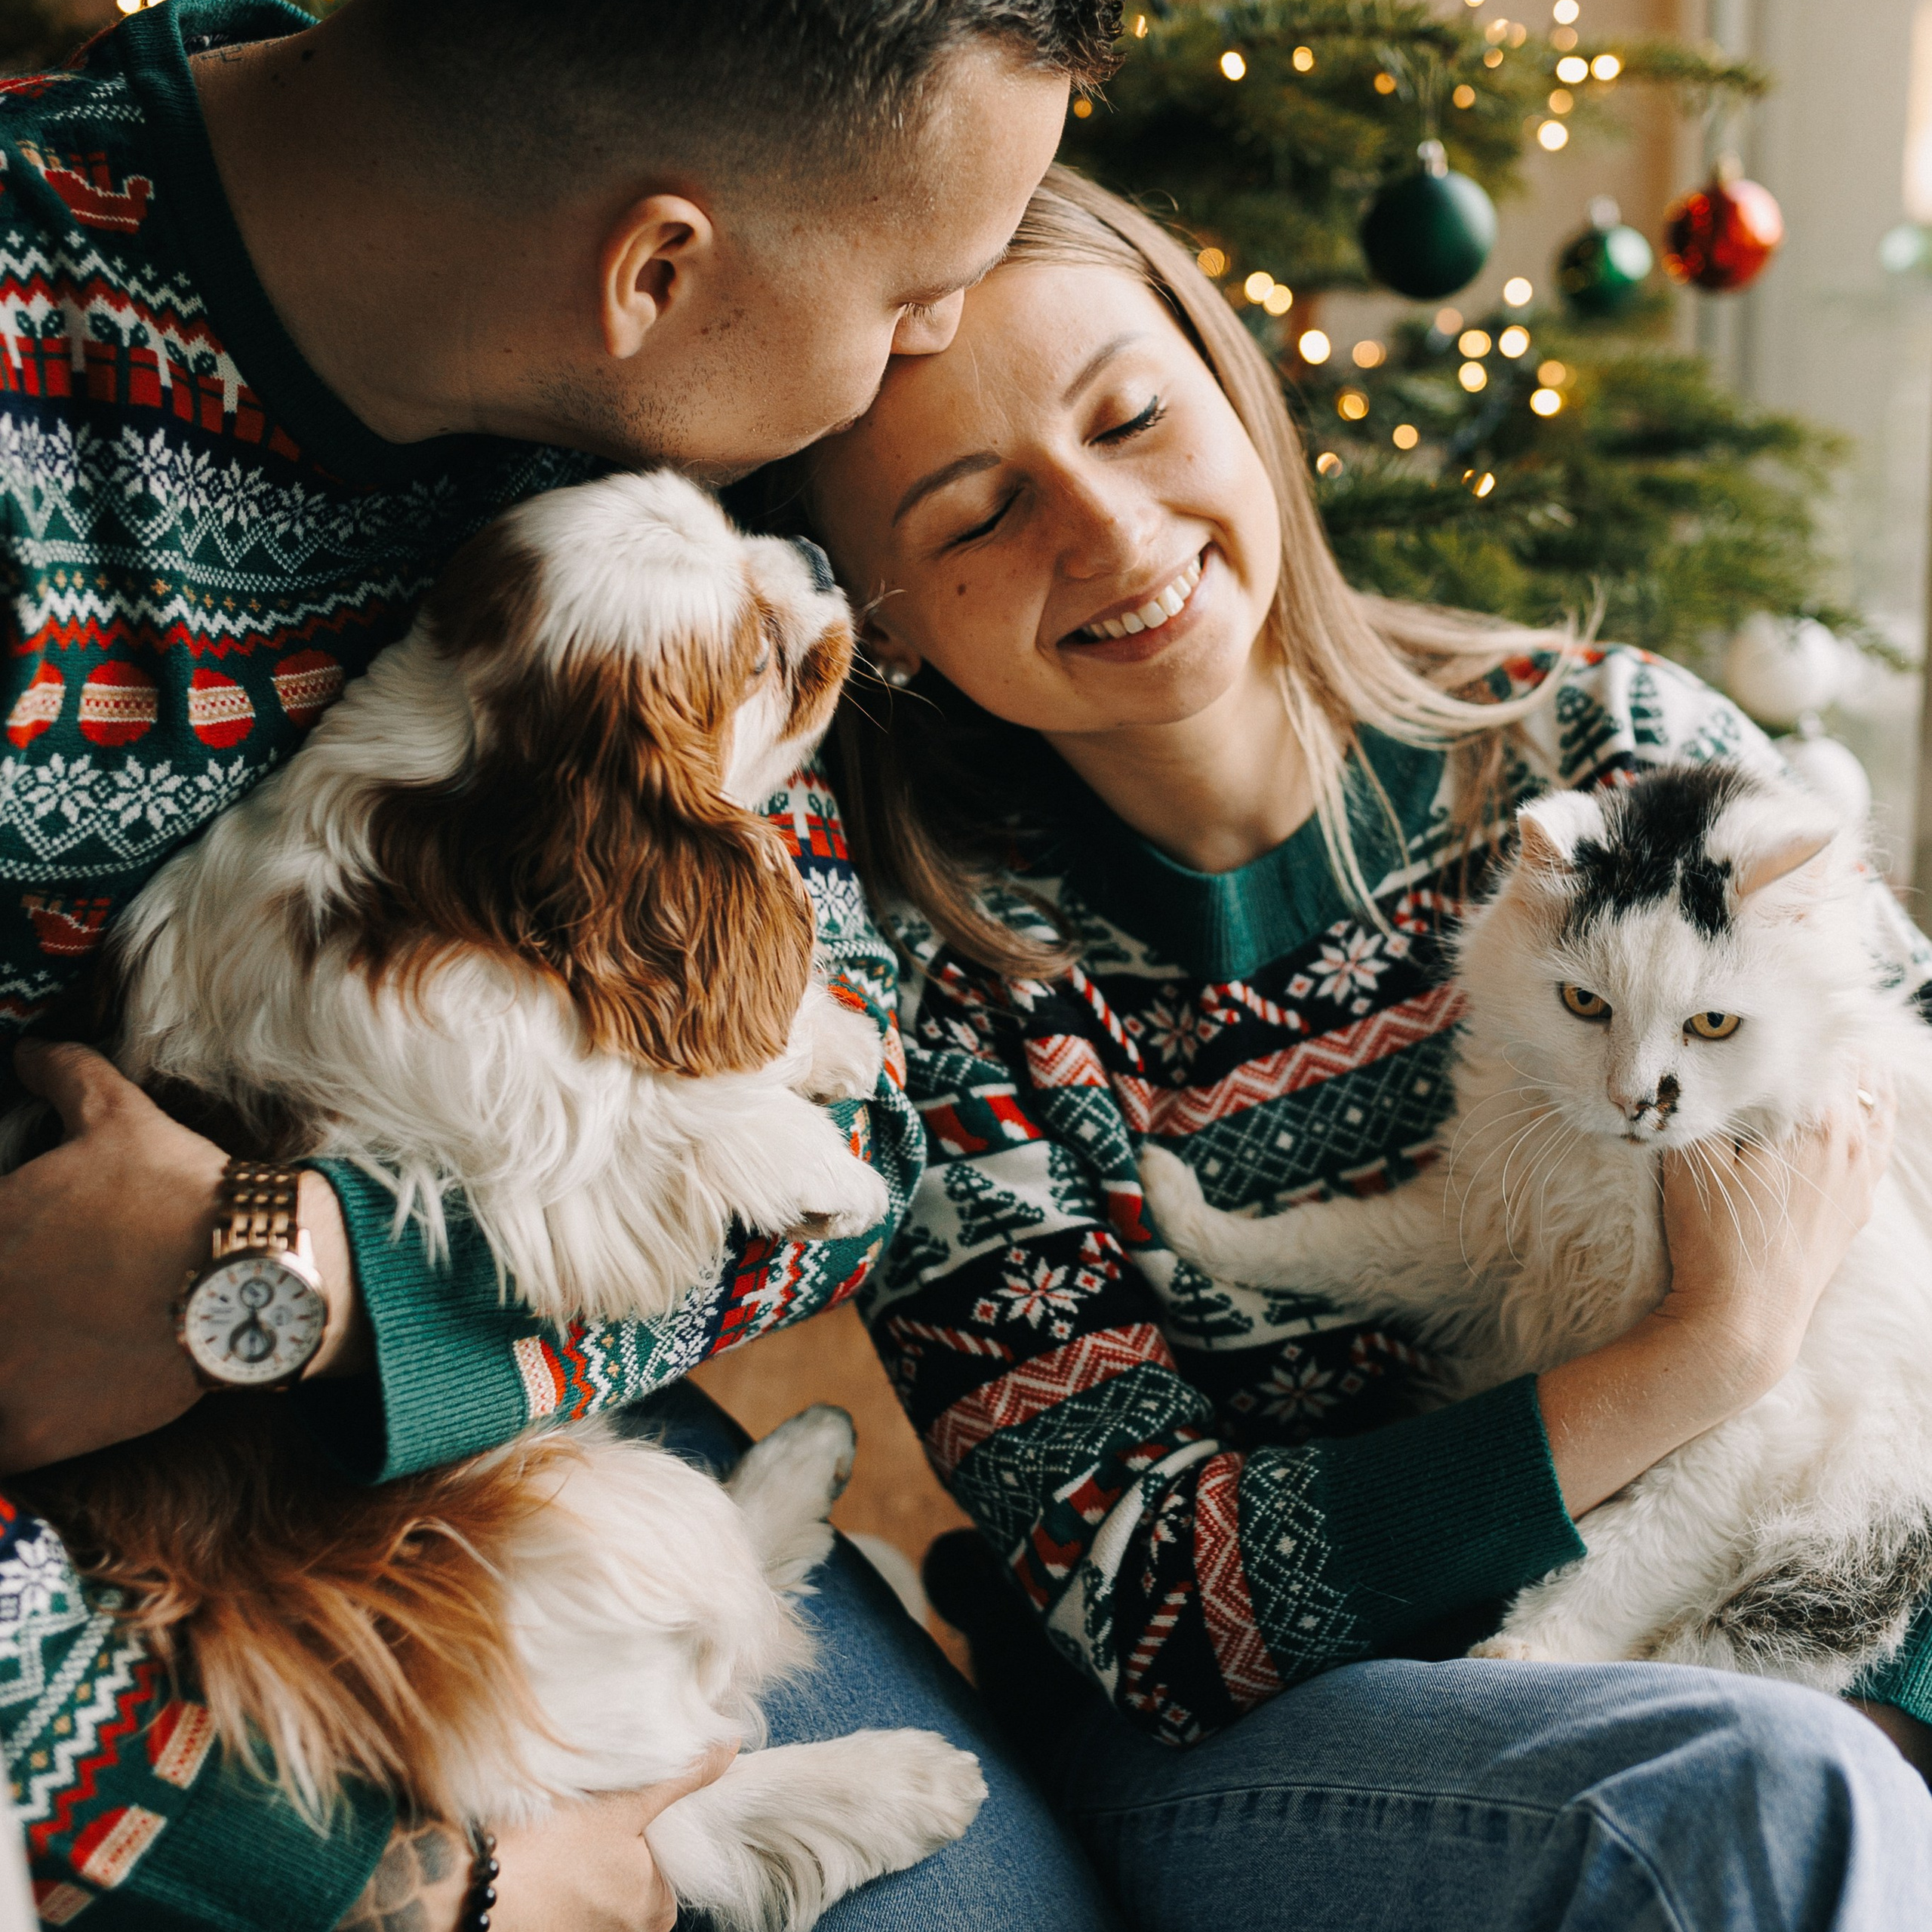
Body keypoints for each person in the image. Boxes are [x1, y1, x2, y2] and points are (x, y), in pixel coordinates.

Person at [0, 6, 1129, 1928]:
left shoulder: (664, 433)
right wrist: (416, 1879)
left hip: (447, 1400)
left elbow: (840, 1127)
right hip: (136, 1568)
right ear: (657, 271)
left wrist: (310, 1272)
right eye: (917, 292)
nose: (929, 346)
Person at [776, 166, 1932, 1929]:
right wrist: (1710, 1343)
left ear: (1234, 388)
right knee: (1762, 1796)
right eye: (974, 514)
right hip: (1263, 1732)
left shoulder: (1601, 739)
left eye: (1132, 415)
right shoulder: (945, 999)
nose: (1103, 534)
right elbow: (1148, 1595)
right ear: (890, 626)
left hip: (1779, 1585)